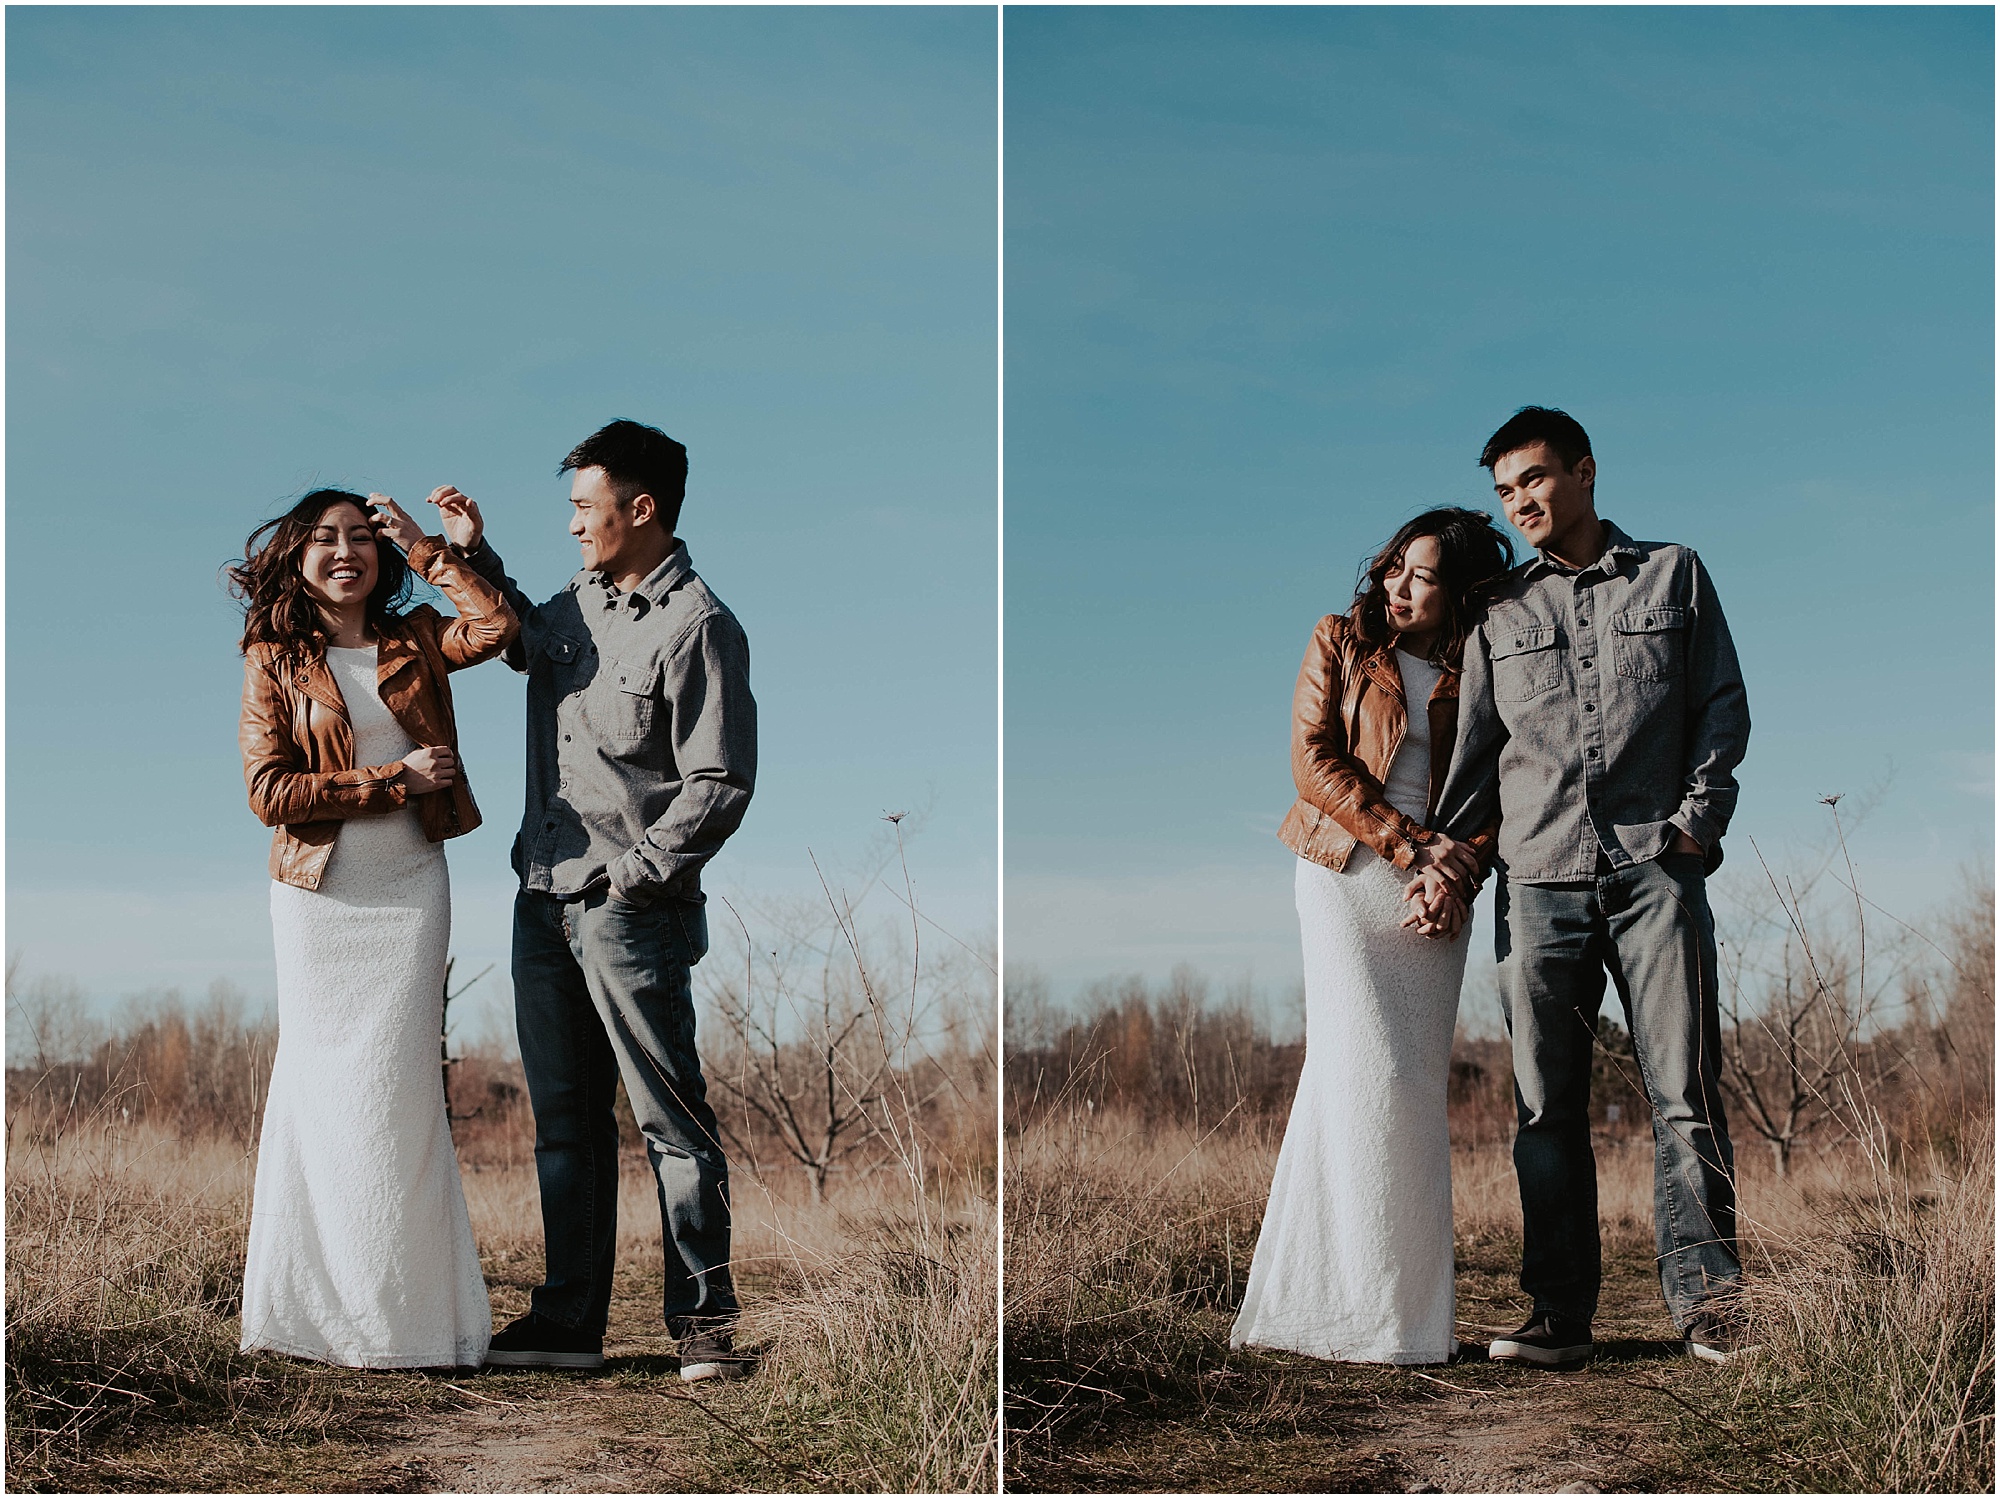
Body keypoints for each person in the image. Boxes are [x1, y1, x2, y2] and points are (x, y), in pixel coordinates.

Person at [429, 420, 757, 1382]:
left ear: (639, 507)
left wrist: (636, 875)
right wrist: (461, 551)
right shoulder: (577, 606)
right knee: (565, 1126)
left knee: (670, 1120)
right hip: (540, 899)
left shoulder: (699, 624)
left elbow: (720, 780)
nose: (572, 524)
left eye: (584, 506)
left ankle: (704, 1325)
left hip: (629, 910)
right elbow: (519, 633)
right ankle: (569, 1323)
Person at [1428, 406, 1751, 1367]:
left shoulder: (1675, 573)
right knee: (1543, 1106)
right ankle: (1560, 1315)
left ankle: (1710, 1304)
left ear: (1584, 470)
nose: (1520, 501)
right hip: (1536, 882)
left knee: (1684, 1091)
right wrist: (1441, 862)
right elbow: (1477, 755)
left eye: (1533, 479)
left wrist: (1696, 825)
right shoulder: (1498, 610)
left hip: (1655, 871)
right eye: (1505, 491)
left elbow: (1720, 706)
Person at [233, 487, 518, 1368]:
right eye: (325, 538)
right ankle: (312, 1319)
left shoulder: (417, 638)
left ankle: (411, 1324)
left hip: (411, 889)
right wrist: (394, 778)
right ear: (297, 554)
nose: (345, 550)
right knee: (323, 1089)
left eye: (362, 536)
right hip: (321, 895)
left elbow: (498, 626)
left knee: (400, 1092)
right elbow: (270, 793)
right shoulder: (274, 657)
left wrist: (439, 549)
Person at [1230, 507, 1513, 1367]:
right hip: (1350, 872)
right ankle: (1342, 1313)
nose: (1400, 584)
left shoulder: (1488, 665)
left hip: (1438, 886)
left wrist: (1456, 871)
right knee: (1365, 1072)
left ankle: (1403, 1321)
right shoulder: (1341, 640)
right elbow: (1312, 761)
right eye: (1395, 565)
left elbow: (1508, 784)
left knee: (1413, 1085)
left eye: (1424, 575)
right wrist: (1408, 845)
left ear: (1459, 587)